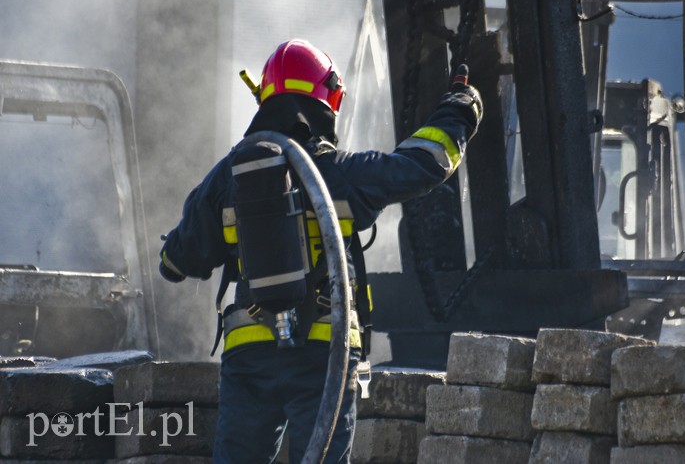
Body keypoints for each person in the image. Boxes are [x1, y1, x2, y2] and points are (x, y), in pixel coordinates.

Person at [158, 38, 483, 463]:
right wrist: (459, 107)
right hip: (322, 353)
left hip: (249, 356)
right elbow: (427, 162)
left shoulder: (227, 176)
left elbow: (177, 262)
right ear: (329, 99)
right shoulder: (340, 172)